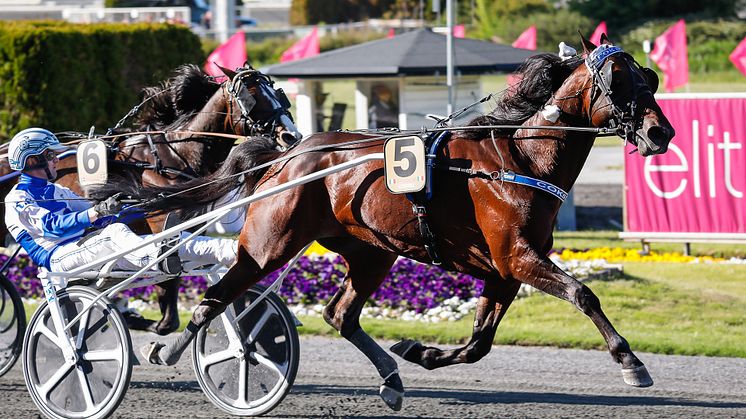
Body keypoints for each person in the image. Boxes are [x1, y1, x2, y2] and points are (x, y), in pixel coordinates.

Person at [4, 128, 237, 279]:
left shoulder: (57, 190)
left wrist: (129, 208)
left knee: (166, 238)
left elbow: (92, 213)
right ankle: (158, 259)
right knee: (114, 233)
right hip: (57, 257)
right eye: (50, 156)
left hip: (87, 248)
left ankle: (230, 251)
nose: (56, 160)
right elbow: (54, 226)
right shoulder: (17, 199)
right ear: (32, 160)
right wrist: (97, 213)